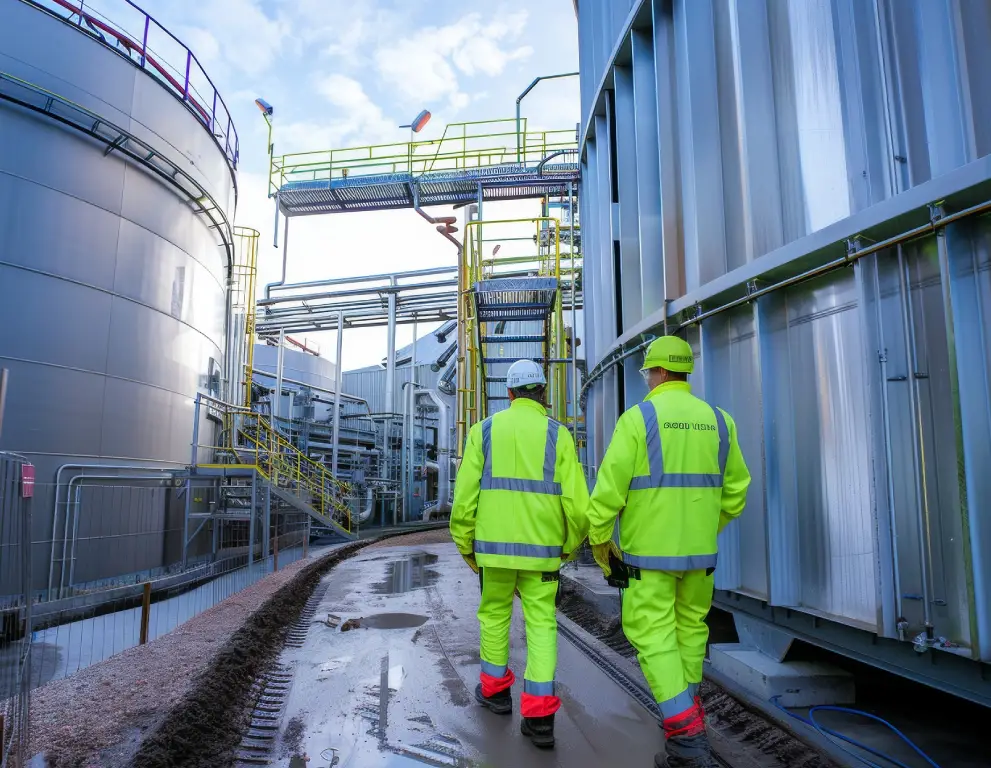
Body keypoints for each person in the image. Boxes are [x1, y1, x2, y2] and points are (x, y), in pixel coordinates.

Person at [587, 336, 750, 768]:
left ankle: (688, 736)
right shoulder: (720, 421)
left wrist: (601, 541)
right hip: (700, 554)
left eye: (647, 374)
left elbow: (608, 492)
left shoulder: (638, 419)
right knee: (690, 630)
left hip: (649, 556)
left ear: (657, 372)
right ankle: (685, 712)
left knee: (651, 634)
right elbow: (735, 494)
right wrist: (700, 529)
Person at [450, 358, 589, 749]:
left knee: (494, 616)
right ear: (542, 393)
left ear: (509, 394)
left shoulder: (484, 432)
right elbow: (578, 506)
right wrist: (568, 546)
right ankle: (540, 717)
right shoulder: (558, 435)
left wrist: (468, 548)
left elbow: (463, 503)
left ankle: (494, 694)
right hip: (543, 554)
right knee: (541, 625)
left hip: (493, 553)